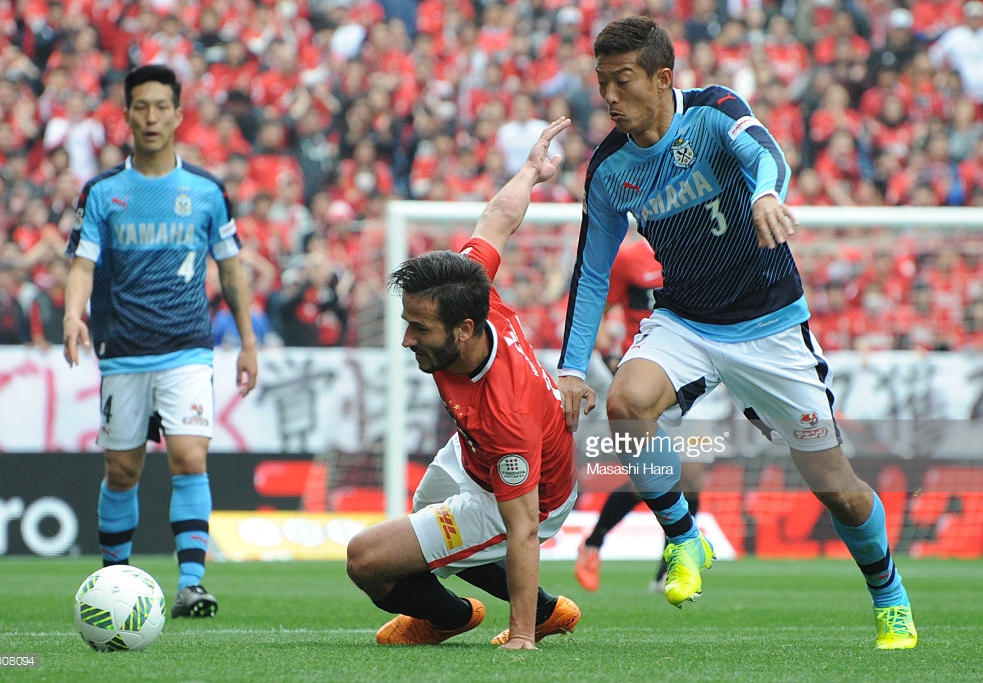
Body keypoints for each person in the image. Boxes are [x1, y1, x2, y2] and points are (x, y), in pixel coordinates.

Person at [556, 16, 916, 650]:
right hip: (687, 322)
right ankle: (684, 538)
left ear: (663, 78)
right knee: (626, 404)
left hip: (771, 326)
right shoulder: (609, 167)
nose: (608, 96)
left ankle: (888, 594)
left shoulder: (716, 110)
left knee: (841, 492)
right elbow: (590, 274)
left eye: (623, 81)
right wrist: (571, 368)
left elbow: (764, 152)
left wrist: (766, 195)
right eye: (601, 82)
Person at [346, 118, 580, 650]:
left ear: (465, 330)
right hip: (470, 457)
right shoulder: (472, 290)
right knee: (430, 540)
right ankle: (544, 609)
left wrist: (520, 637)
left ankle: (457, 619)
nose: (407, 340)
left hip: (532, 492)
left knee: (368, 561)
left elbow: (521, 527)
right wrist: (531, 171)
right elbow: (498, 217)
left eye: (419, 329)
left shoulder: (506, 409)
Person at [62, 64, 259, 620]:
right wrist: (73, 314)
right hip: (122, 351)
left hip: (187, 348)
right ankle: (113, 578)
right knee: (121, 471)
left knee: (188, 456)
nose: (151, 117)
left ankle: (191, 583)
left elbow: (233, 269)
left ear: (177, 114)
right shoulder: (102, 192)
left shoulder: (205, 191)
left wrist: (247, 341)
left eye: (160, 107)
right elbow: (80, 264)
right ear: (126, 115)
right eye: (140, 107)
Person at [575, 237, 712, 594]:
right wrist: (607, 354)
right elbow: (598, 312)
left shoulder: (702, 248)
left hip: (699, 368)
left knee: (693, 475)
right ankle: (593, 542)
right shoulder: (628, 258)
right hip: (648, 374)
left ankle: (670, 566)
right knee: (649, 477)